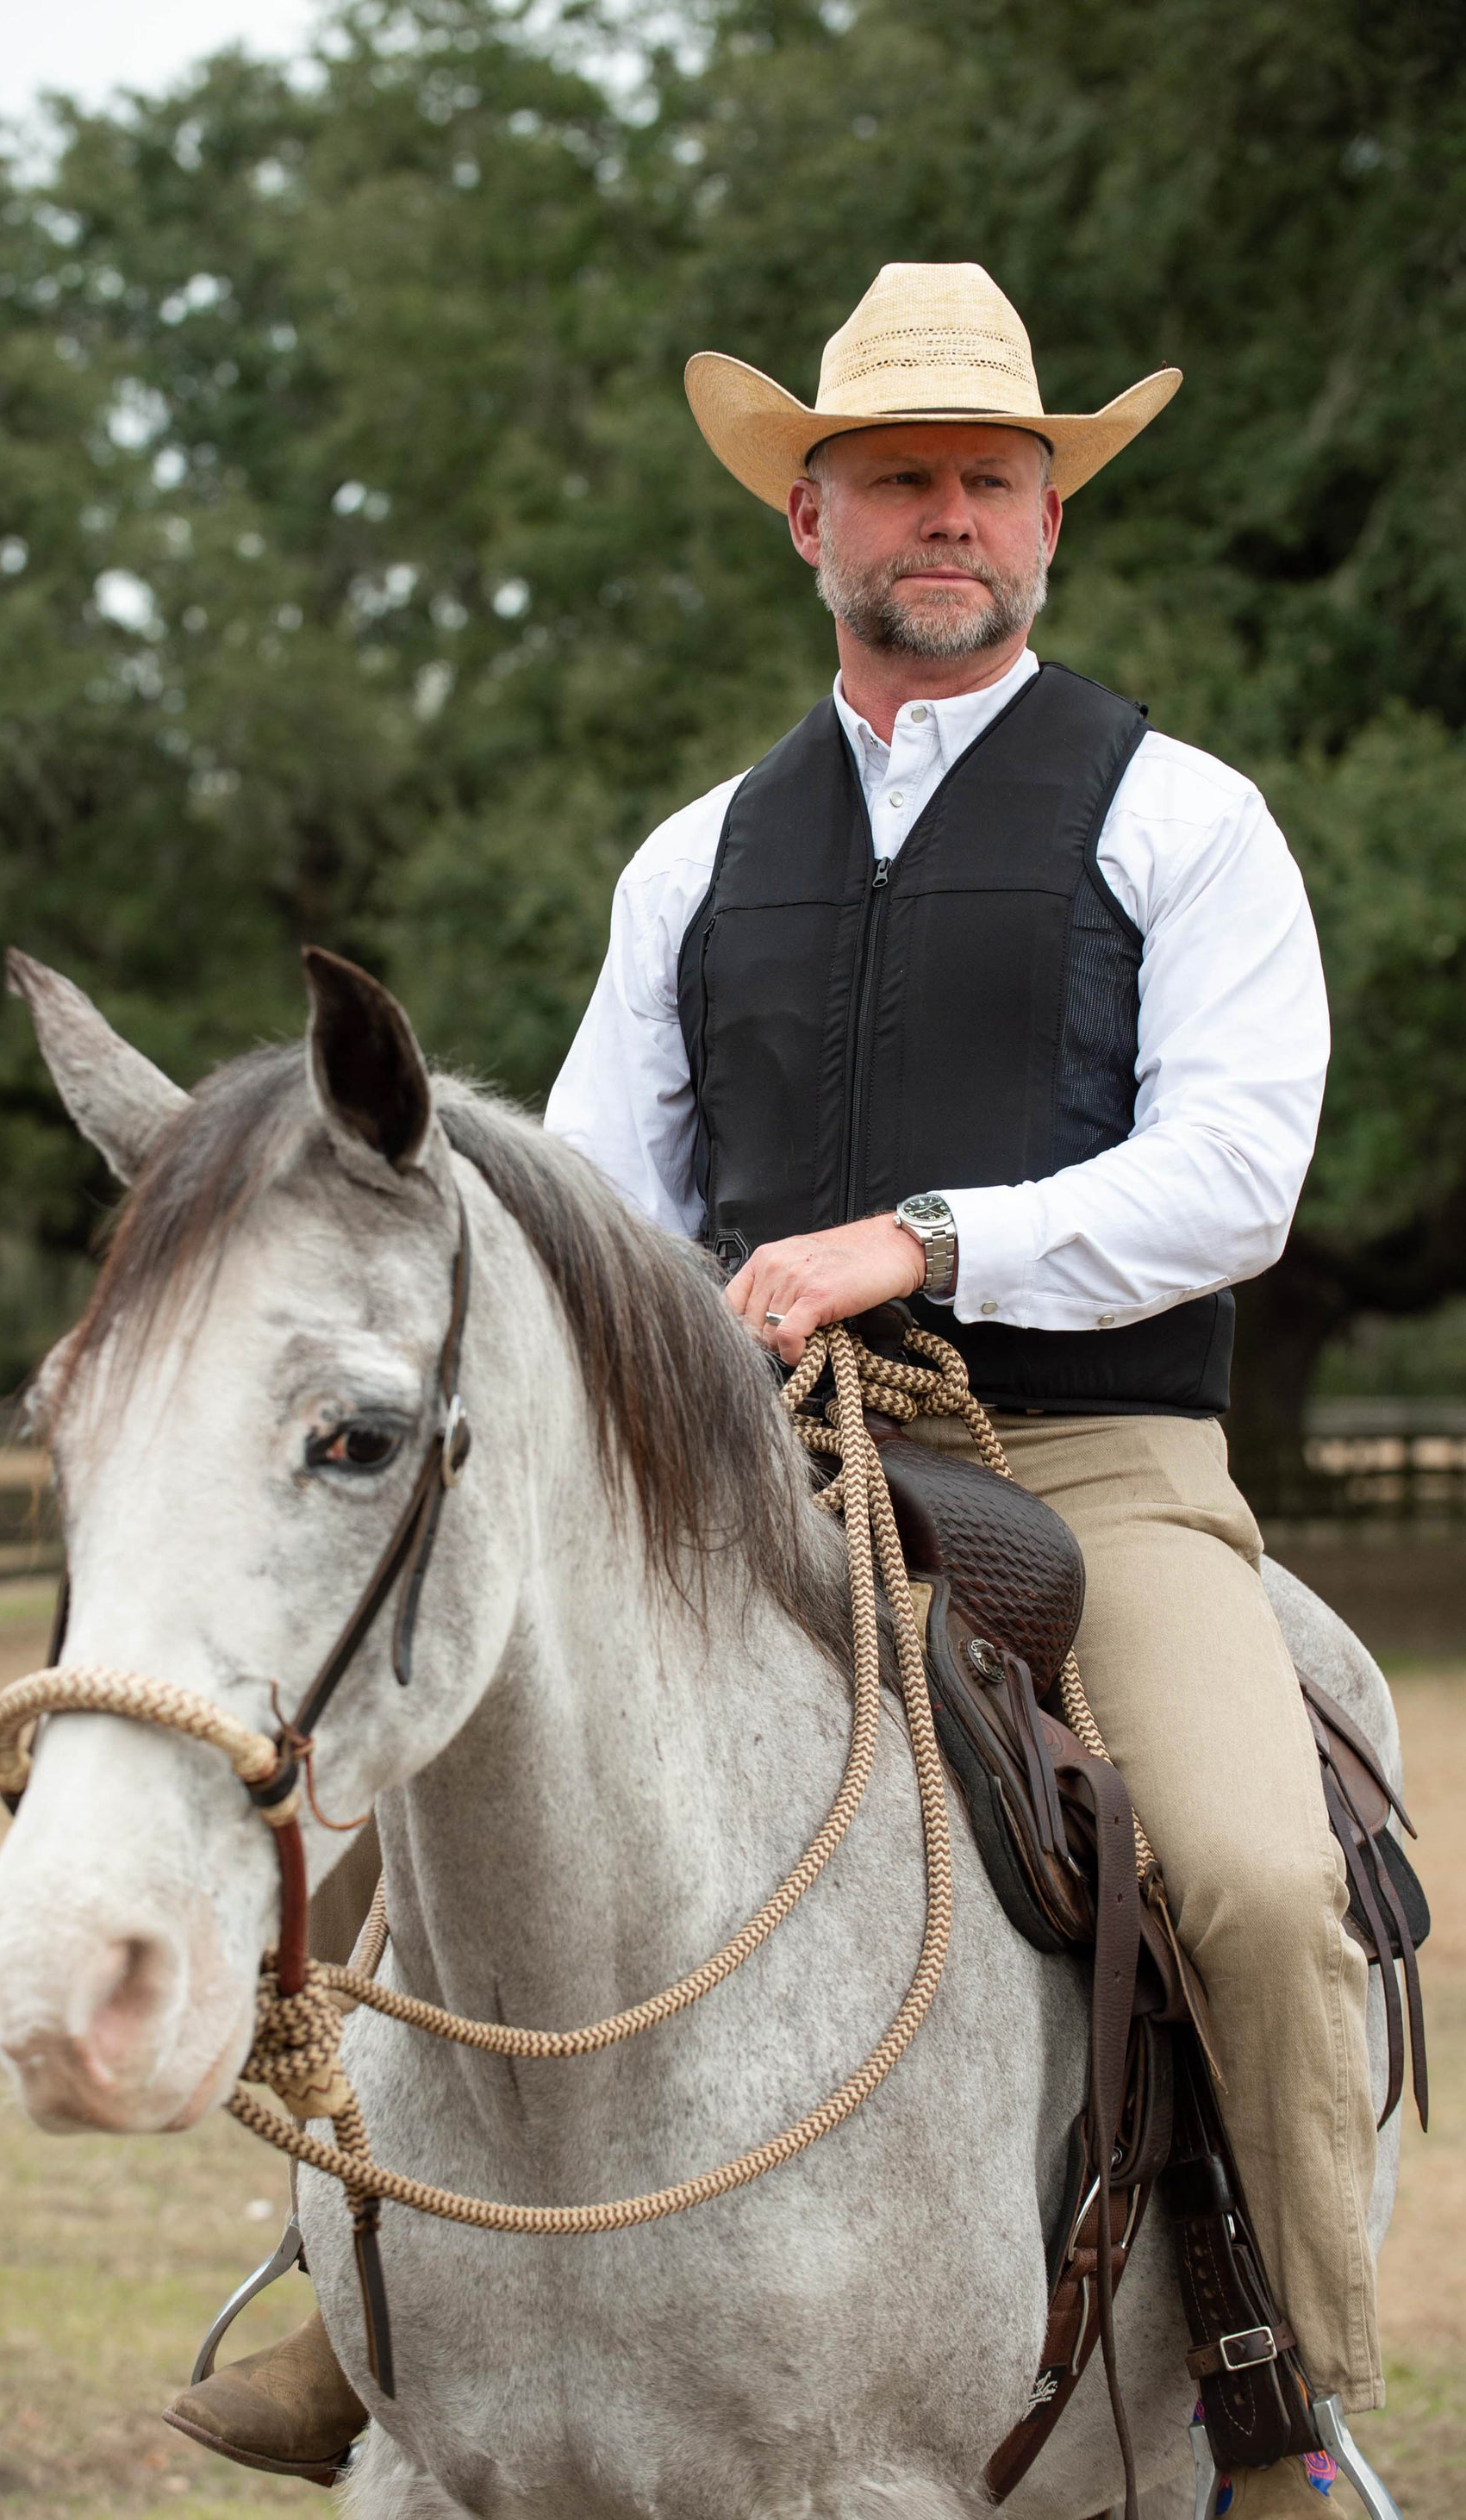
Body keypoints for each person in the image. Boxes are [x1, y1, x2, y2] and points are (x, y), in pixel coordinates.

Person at [169, 263, 1372, 2517]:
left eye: (989, 480)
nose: (948, 514)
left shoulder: (1179, 816)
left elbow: (1235, 1168)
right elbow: (599, 1190)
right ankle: (364, 2298)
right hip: (748, 1454)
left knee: (1244, 1874)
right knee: (472, 1775)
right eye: (897, 477)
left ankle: (1270, 2395)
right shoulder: (693, 858)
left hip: (1091, 1453)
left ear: (1049, 524)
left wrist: (913, 1240)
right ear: (804, 517)